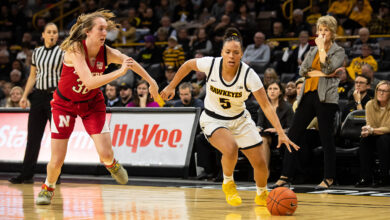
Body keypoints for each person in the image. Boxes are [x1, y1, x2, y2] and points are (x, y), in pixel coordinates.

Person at [161, 28, 298, 207]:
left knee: (260, 163)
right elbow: (187, 65)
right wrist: (171, 86)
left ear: (242, 54)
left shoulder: (249, 75)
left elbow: (265, 106)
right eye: (227, 52)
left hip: (240, 119)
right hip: (213, 119)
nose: (231, 56)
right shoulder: (211, 64)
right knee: (231, 148)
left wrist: (281, 132)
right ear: (221, 53)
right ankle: (228, 182)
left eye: (235, 52)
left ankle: (262, 194)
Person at [35, 10, 159, 205]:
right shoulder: (76, 49)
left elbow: (130, 62)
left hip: (92, 104)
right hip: (64, 105)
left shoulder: (107, 52)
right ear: (87, 31)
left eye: (106, 29)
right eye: (100, 29)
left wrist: (151, 81)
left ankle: (111, 164)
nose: (105, 33)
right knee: (57, 159)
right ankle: (48, 187)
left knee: (106, 154)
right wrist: (119, 73)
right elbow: (90, 81)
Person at [272, 15, 345, 189]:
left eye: (326, 30)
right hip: (308, 95)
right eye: (320, 29)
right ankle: (285, 175)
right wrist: (321, 72)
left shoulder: (338, 51)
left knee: (326, 138)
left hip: (326, 98)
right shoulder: (311, 51)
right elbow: (303, 71)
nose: (322, 33)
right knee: (293, 135)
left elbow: (328, 67)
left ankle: (328, 178)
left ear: (332, 32)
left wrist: (321, 51)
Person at [9, 23, 63, 184]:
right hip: (38, 96)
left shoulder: (63, 52)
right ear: (43, 35)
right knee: (33, 137)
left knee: (57, 138)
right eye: (49, 32)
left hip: (56, 97)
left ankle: (55, 174)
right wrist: (25, 95)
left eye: (55, 32)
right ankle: (26, 173)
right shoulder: (37, 52)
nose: (52, 34)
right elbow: (33, 76)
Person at [356, 80, 390, 187]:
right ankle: (365, 177)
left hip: (387, 136)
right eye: (379, 90)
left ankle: (384, 177)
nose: (381, 93)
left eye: (385, 91)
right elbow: (370, 124)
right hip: (376, 134)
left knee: (383, 140)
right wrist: (367, 130)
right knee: (365, 140)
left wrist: (372, 130)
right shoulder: (370, 104)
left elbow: (388, 128)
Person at [257, 82, 294, 167]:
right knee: (263, 139)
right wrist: (257, 129)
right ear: (266, 91)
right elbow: (260, 125)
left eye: (275, 89)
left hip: (282, 136)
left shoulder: (287, 107)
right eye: (270, 89)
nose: (272, 91)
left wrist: (277, 130)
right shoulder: (263, 107)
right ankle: (265, 171)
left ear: (280, 92)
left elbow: (291, 127)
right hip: (267, 136)